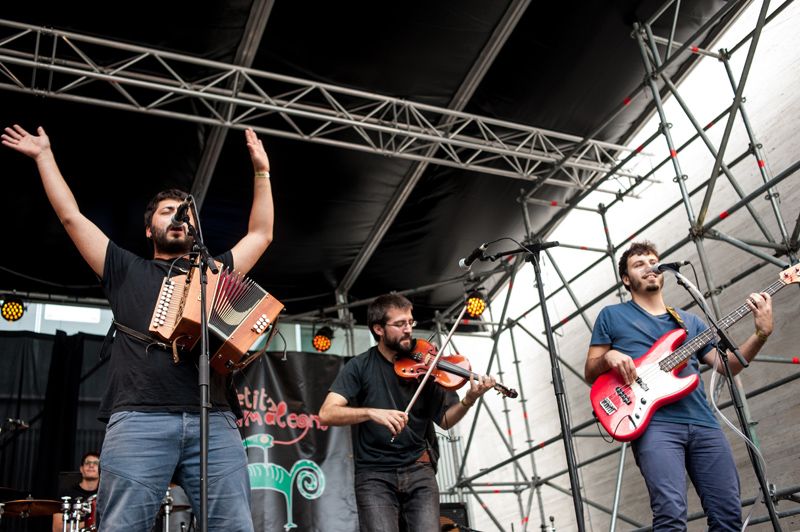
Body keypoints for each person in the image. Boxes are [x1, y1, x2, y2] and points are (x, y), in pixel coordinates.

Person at [2, 123, 275, 531]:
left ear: (195, 228)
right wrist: (44, 156)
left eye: (184, 212)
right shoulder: (124, 268)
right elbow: (71, 217)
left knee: (233, 526)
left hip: (214, 419)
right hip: (139, 418)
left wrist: (261, 172)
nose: (178, 216)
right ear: (149, 229)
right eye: (167, 211)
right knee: (123, 526)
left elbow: (261, 234)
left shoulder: (214, 271)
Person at [584, 241, 774, 531]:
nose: (650, 267)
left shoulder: (689, 321)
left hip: (704, 423)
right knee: (671, 517)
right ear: (626, 279)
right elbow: (590, 370)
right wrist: (609, 356)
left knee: (728, 514)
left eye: (653, 261)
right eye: (639, 264)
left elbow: (726, 365)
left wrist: (760, 334)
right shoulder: (612, 316)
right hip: (654, 425)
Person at [318, 293, 497, 532]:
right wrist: (372, 413)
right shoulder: (359, 366)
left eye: (410, 322)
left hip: (419, 469)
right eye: (400, 324)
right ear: (378, 329)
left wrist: (469, 399)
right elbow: (327, 413)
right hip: (374, 475)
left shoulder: (428, 364)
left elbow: (444, 420)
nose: (408, 330)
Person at [52, 450, 100, 532]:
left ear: (101, 470)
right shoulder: (65, 495)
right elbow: (57, 528)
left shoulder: (105, 496)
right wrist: (91, 524)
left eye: (96, 463)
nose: (91, 465)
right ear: (81, 469)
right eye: (87, 463)